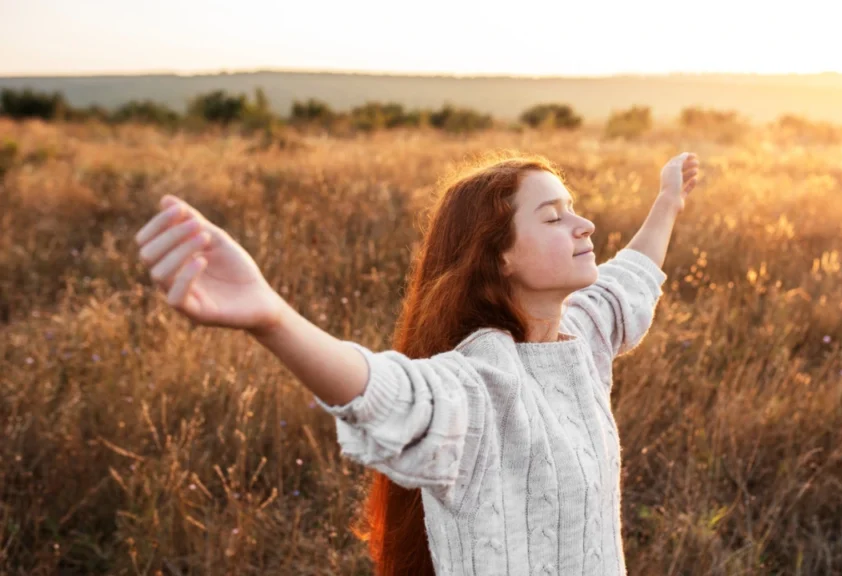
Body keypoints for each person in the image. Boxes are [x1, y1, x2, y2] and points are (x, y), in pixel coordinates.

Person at [134, 150, 700, 575]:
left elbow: (631, 282)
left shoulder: (582, 334)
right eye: (553, 218)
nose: (585, 226)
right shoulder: (481, 383)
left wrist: (667, 201)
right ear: (498, 256)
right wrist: (272, 318)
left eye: (573, 210)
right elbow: (389, 393)